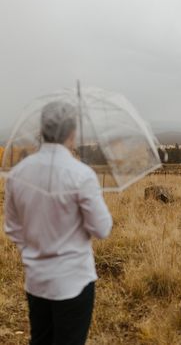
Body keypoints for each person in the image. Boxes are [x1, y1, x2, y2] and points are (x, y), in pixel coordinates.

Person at [4, 101, 113, 345]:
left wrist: (34, 250)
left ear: (42, 130)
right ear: (73, 132)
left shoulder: (18, 173)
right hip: (74, 280)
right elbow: (102, 229)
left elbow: (12, 228)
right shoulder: (82, 175)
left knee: (40, 339)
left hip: (36, 279)